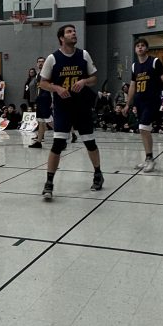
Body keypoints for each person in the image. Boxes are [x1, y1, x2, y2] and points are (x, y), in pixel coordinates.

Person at [39, 25, 103, 201]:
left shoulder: (84, 55)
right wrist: (57, 88)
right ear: (61, 38)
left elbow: (94, 78)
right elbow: (43, 83)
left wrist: (84, 81)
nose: (73, 33)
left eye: (74, 31)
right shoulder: (53, 58)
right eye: (69, 31)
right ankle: (49, 182)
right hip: (63, 108)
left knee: (90, 142)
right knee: (58, 144)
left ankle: (98, 173)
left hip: (82, 107)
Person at [124, 38, 163, 172]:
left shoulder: (154, 62)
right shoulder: (134, 66)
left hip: (152, 100)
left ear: (147, 48)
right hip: (140, 101)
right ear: (135, 49)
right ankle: (148, 158)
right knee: (144, 129)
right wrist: (127, 104)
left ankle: (150, 159)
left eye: (143, 45)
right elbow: (132, 86)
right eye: (138, 46)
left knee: (143, 127)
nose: (140, 47)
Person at [29, 55, 52, 149]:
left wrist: (52, 100)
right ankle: (39, 142)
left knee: (49, 120)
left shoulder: (48, 73)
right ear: (37, 64)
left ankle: (62, 139)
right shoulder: (38, 74)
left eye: (42, 61)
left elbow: (51, 86)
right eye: (39, 61)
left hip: (46, 99)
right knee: (41, 121)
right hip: (39, 99)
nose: (41, 63)